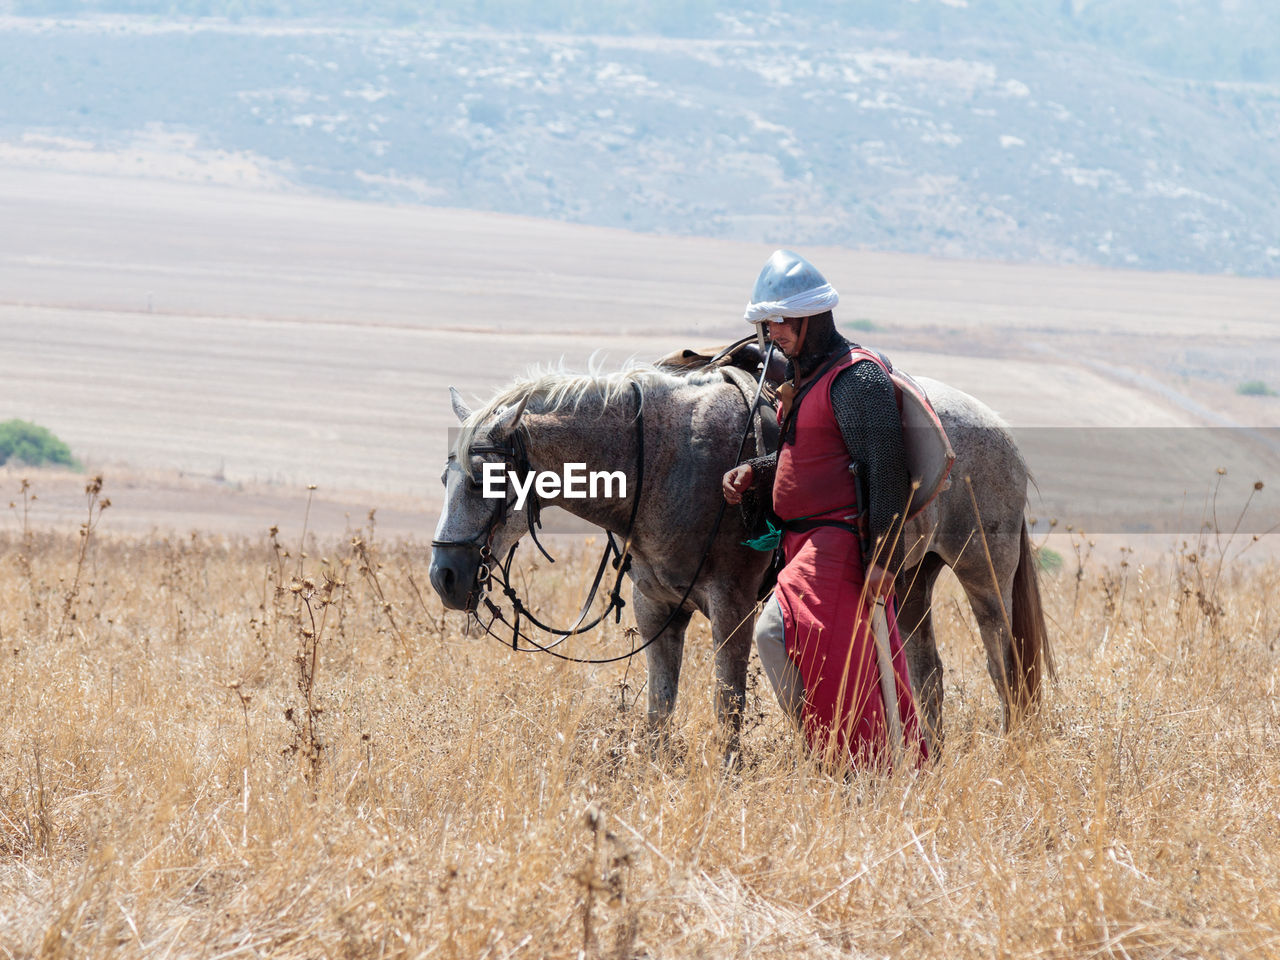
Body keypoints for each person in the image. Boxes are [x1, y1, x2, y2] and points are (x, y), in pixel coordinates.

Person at [722, 249, 927, 771]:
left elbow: (886, 472)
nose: (772, 332)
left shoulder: (856, 379)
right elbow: (813, 456)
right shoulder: (811, 377)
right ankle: (839, 758)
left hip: (838, 545)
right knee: (840, 665)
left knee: (773, 633)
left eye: (781, 320)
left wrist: (883, 557)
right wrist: (758, 471)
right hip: (802, 545)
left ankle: (830, 753)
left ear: (811, 318)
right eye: (766, 323)